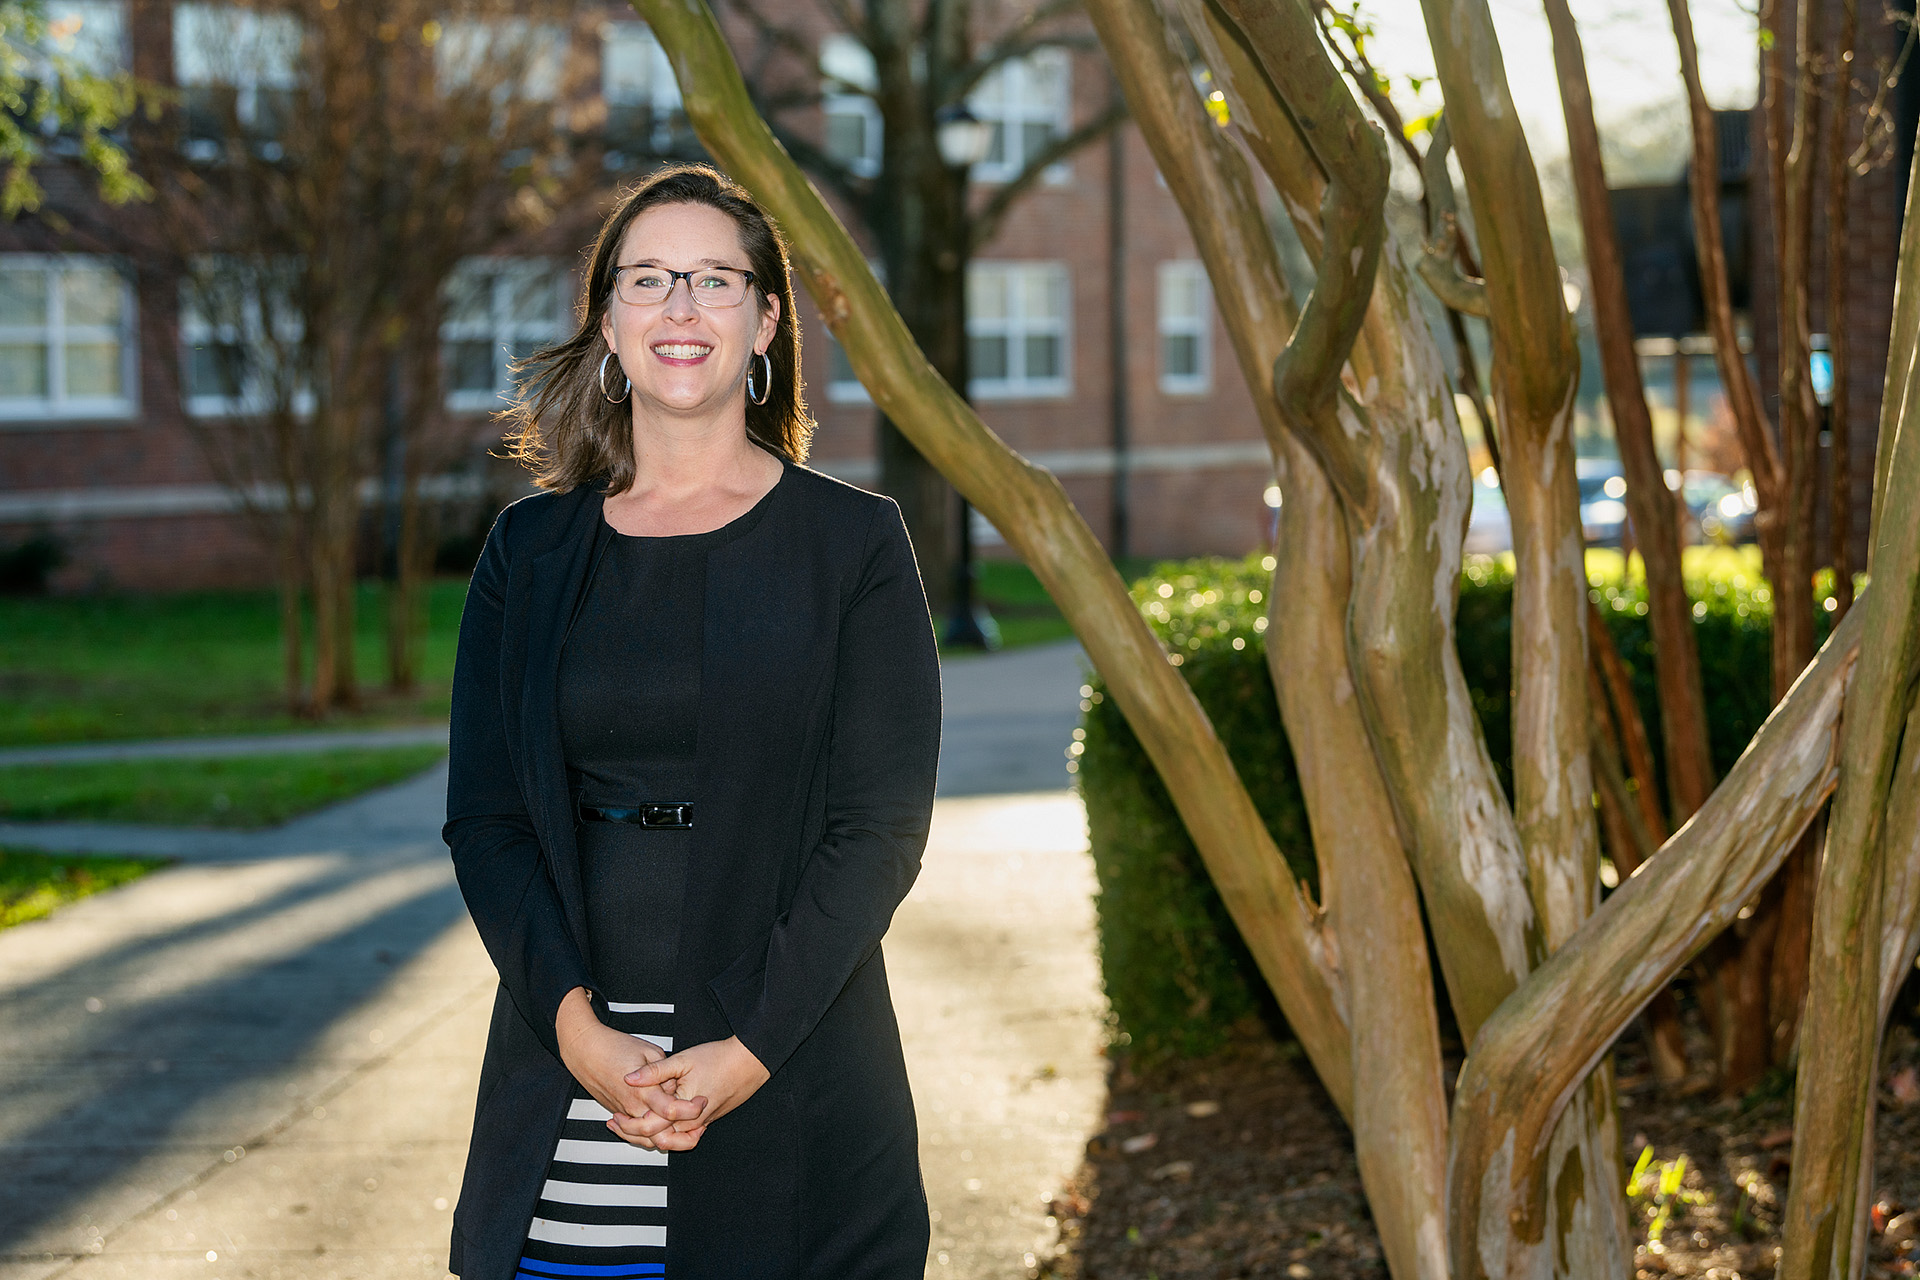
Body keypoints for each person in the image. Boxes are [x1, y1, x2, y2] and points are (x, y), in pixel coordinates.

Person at [443, 163, 942, 1280]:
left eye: (715, 279)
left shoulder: (854, 547)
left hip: (792, 1060)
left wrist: (748, 1052)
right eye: (650, 279)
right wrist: (578, 1032)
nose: (680, 307)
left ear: (766, 318)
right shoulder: (529, 556)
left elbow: (877, 832)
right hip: (572, 1071)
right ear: (608, 320)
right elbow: (487, 819)